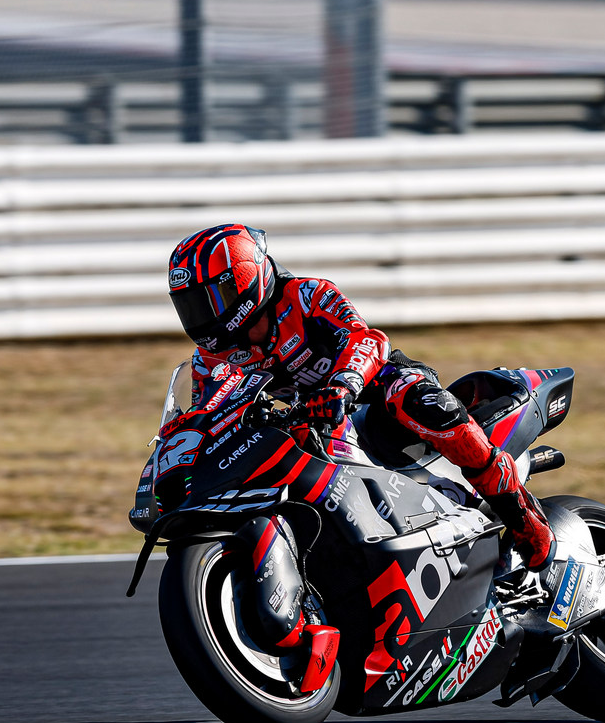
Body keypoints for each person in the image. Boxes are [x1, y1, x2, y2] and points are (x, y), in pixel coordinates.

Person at [164, 225, 556, 693]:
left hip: (370, 393)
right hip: (309, 430)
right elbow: (212, 411)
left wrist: (343, 386)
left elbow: (366, 340)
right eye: (190, 305)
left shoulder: (306, 296)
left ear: (246, 279)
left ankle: (523, 518)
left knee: (416, 400)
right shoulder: (212, 358)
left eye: (211, 298)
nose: (202, 315)